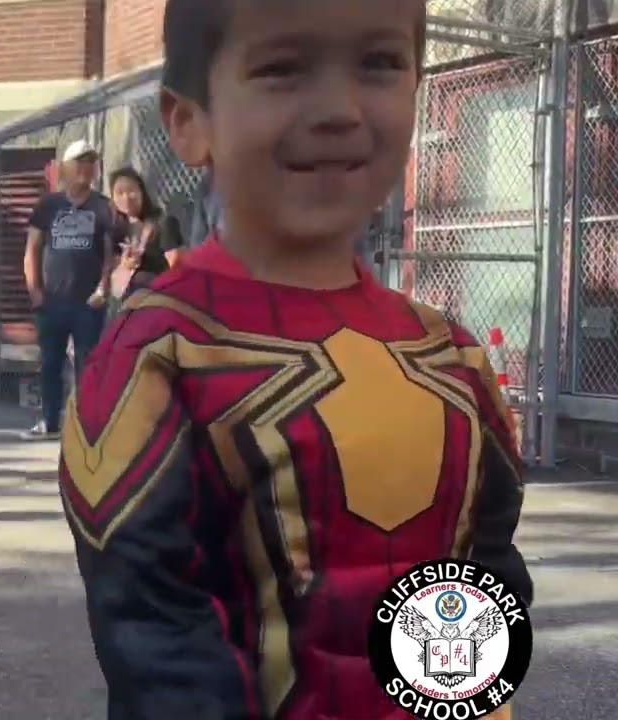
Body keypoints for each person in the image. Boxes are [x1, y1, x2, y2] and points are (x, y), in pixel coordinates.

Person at [58, 1, 531, 718]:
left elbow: (488, 580)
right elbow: (157, 635)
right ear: (189, 122)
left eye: (378, 62)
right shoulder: (158, 354)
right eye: (282, 68)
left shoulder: (451, 356)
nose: (339, 109)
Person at [21, 139, 113, 441]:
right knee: (50, 362)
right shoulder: (48, 205)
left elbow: (110, 254)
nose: (85, 169)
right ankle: (50, 421)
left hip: (87, 303)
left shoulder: (103, 206)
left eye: (91, 163)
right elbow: (32, 248)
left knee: (88, 365)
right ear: (65, 168)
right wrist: (35, 291)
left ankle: (86, 425)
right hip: (52, 301)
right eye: (79, 163)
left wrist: (103, 288)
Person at [107, 166, 184, 299]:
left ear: (141, 191)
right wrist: (126, 265)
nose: (126, 198)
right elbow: (115, 287)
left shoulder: (163, 222)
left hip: (162, 299)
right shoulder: (117, 232)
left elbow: (176, 265)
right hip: (132, 305)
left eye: (131, 190)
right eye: (119, 192)